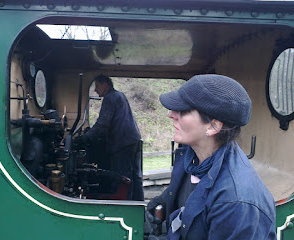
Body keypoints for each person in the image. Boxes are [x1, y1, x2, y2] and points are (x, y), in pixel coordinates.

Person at [146, 74, 276, 239]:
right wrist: (164, 201)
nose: (171, 114)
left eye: (183, 110)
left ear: (213, 126)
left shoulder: (236, 202)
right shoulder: (194, 157)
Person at [79, 74, 144, 201]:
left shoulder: (110, 98)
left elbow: (103, 123)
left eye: (97, 86)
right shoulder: (120, 95)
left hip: (122, 143)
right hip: (134, 139)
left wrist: (86, 138)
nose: (96, 90)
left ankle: (125, 208)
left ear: (105, 84)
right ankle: (139, 206)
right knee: (136, 177)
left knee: (123, 179)